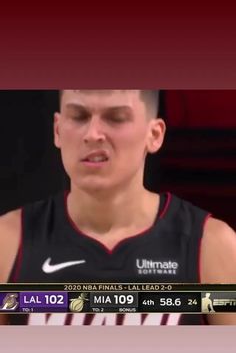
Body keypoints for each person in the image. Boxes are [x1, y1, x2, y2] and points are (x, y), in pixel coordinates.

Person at [0, 89, 236, 325]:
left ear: (154, 134)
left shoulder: (211, 247)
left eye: (116, 118)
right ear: (57, 129)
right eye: (79, 116)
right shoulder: (8, 242)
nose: (92, 134)